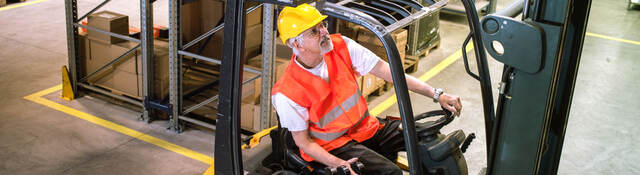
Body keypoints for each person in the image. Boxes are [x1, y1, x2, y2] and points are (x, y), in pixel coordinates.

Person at [271, 4, 463, 175]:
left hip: (366, 129)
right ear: (295, 43)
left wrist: (436, 94)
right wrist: (341, 164)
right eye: (314, 31)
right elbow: (304, 143)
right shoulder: (286, 92)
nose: (323, 32)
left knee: (429, 142)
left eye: (322, 25)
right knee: (391, 172)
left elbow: (390, 73)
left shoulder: (341, 46)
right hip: (334, 147)